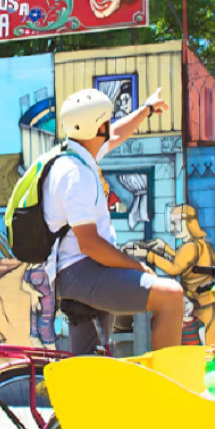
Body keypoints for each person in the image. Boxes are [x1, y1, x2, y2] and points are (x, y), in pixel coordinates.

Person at [46, 87, 183, 356]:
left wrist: (146, 109)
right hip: (81, 271)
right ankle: (165, 388)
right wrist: (138, 267)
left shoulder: (77, 155)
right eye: (106, 120)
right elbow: (90, 244)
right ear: (98, 128)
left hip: (77, 271)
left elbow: (117, 133)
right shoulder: (76, 175)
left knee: (90, 367)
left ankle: (85, 397)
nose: (110, 124)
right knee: (171, 295)